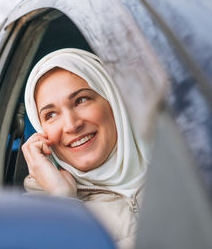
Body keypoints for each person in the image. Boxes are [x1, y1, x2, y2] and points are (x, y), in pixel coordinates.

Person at [22, 48, 148, 248]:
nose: (72, 125)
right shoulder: (35, 216)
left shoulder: (184, 159)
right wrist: (62, 202)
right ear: (40, 130)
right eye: (51, 115)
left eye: (81, 100)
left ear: (113, 101)